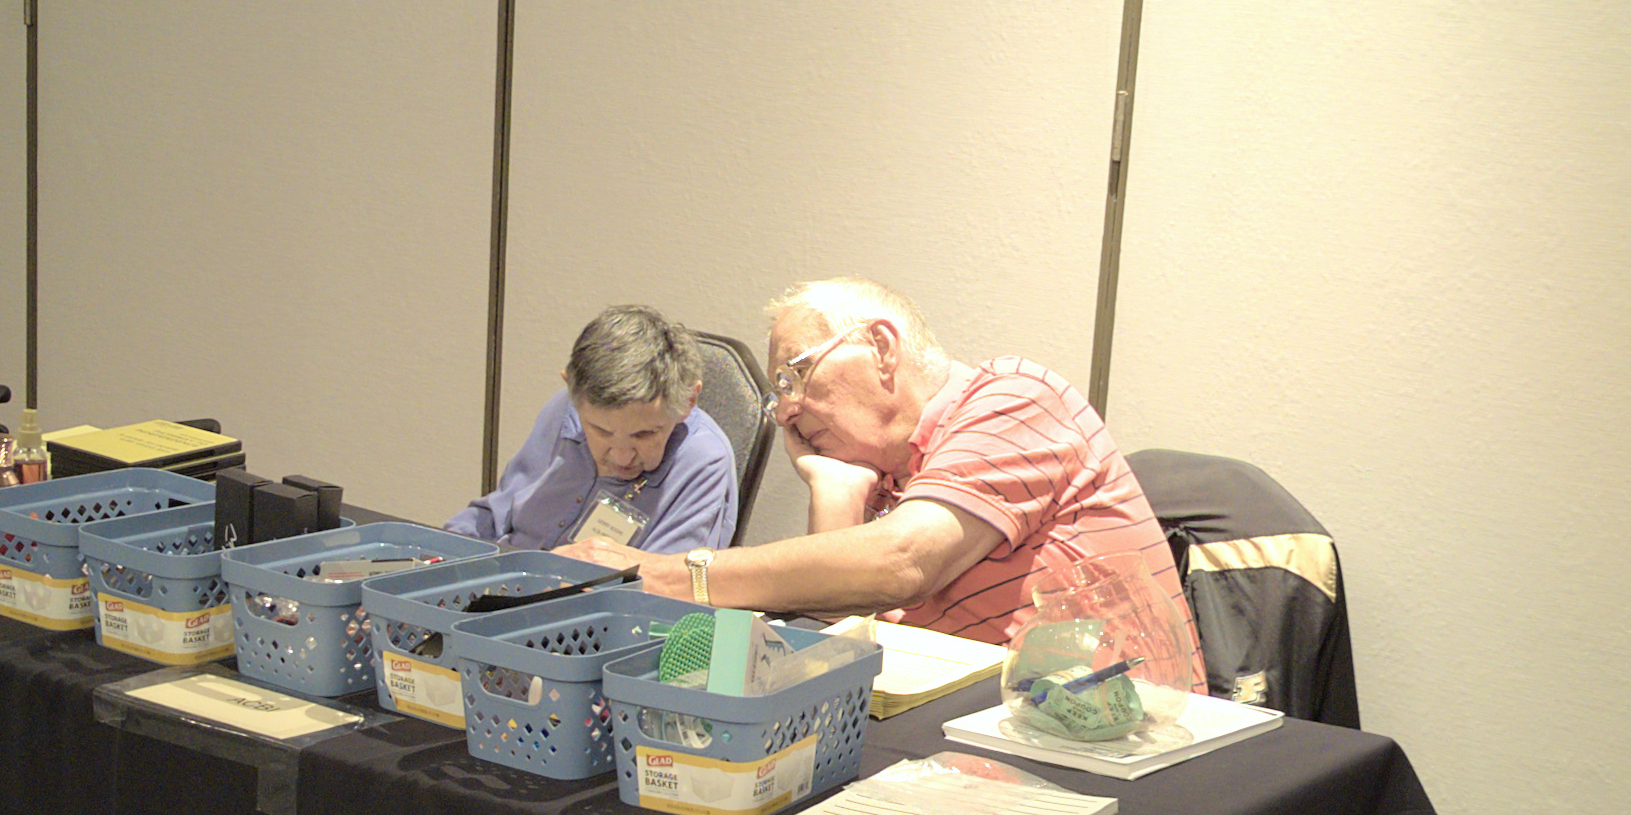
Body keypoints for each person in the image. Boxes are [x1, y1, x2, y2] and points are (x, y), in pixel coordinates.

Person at [560, 277, 1203, 670]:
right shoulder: (892, 479)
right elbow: (849, 635)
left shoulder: (1013, 397)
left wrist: (668, 576)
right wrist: (835, 486)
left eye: (795, 374)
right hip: (994, 729)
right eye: (776, 390)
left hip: (1106, 734)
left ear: (883, 348)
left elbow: (903, 562)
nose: (783, 407)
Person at [445, 305, 739, 554]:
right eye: (601, 432)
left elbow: (662, 594)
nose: (622, 457)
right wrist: (449, 546)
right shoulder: (565, 408)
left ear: (688, 401)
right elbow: (496, 515)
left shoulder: (702, 459)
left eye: (644, 435)